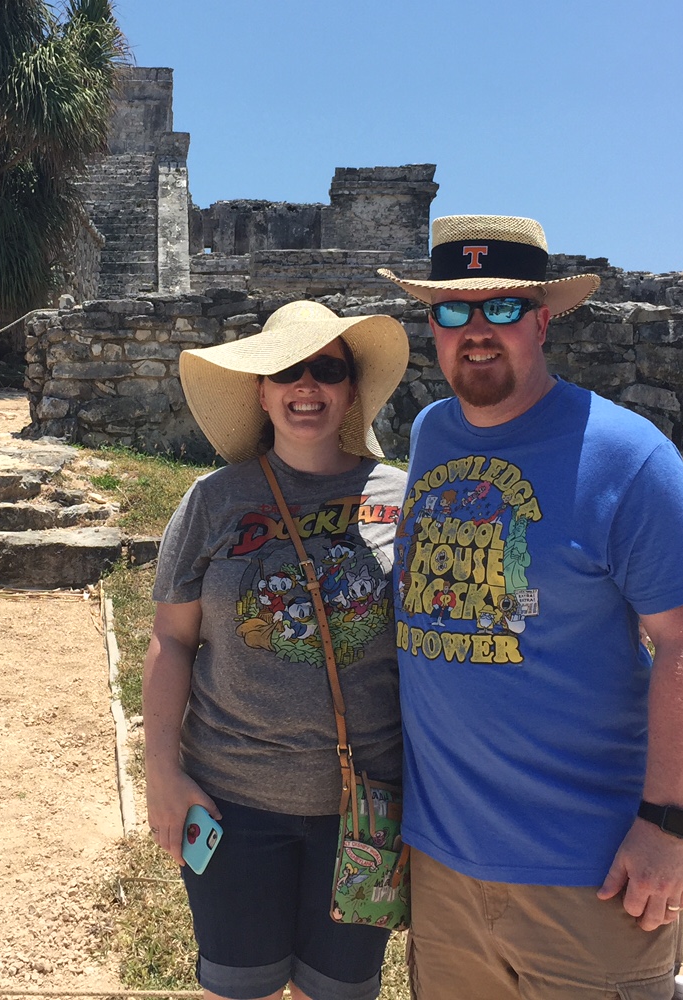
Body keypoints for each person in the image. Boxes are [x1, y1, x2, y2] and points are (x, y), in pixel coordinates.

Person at [376, 216, 683, 999]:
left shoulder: (628, 455)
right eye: (453, 310)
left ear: (541, 321)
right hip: (443, 864)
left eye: (502, 308)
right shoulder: (432, 433)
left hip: (590, 872)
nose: (476, 331)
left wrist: (669, 825)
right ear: (431, 326)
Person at [143, 300, 412, 1000]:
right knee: (239, 988)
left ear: (351, 391)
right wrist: (161, 772)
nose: (307, 386)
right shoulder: (213, 501)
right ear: (260, 392)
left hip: (365, 808)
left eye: (328, 369)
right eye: (287, 371)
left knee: (340, 991)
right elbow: (172, 639)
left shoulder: (403, 499)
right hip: (232, 801)